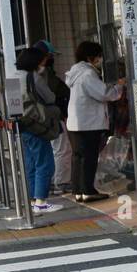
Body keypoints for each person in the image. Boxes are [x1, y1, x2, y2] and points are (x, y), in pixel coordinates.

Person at [65, 41, 126, 202]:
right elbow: (104, 93)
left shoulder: (76, 72)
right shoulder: (87, 74)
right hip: (88, 123)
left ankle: (78, 190)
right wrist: (118, 87)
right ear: (91, 57)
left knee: (78, 157)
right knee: (89, 157)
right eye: (99, 56)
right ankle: (88, 191)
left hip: (75, 123)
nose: (100, 59)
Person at [15, 46, 64, 215]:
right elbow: (49, 97)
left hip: (21, 125)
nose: (44, 63)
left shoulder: (13, 77)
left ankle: (32, 199)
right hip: (37, 124)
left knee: (31, 164)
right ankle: (41, 202)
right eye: (43, 60)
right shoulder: (33, 77)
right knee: (45, 163)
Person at [34, 41, 73, 196]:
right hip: (52, 118)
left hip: (44, 119)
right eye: (49, 56)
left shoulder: (37, 73)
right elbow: (51, 95)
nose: (51, 59)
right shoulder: (41, 75)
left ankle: (53, 181)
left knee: (54, 150)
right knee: (62, 149)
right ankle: (61, 182)